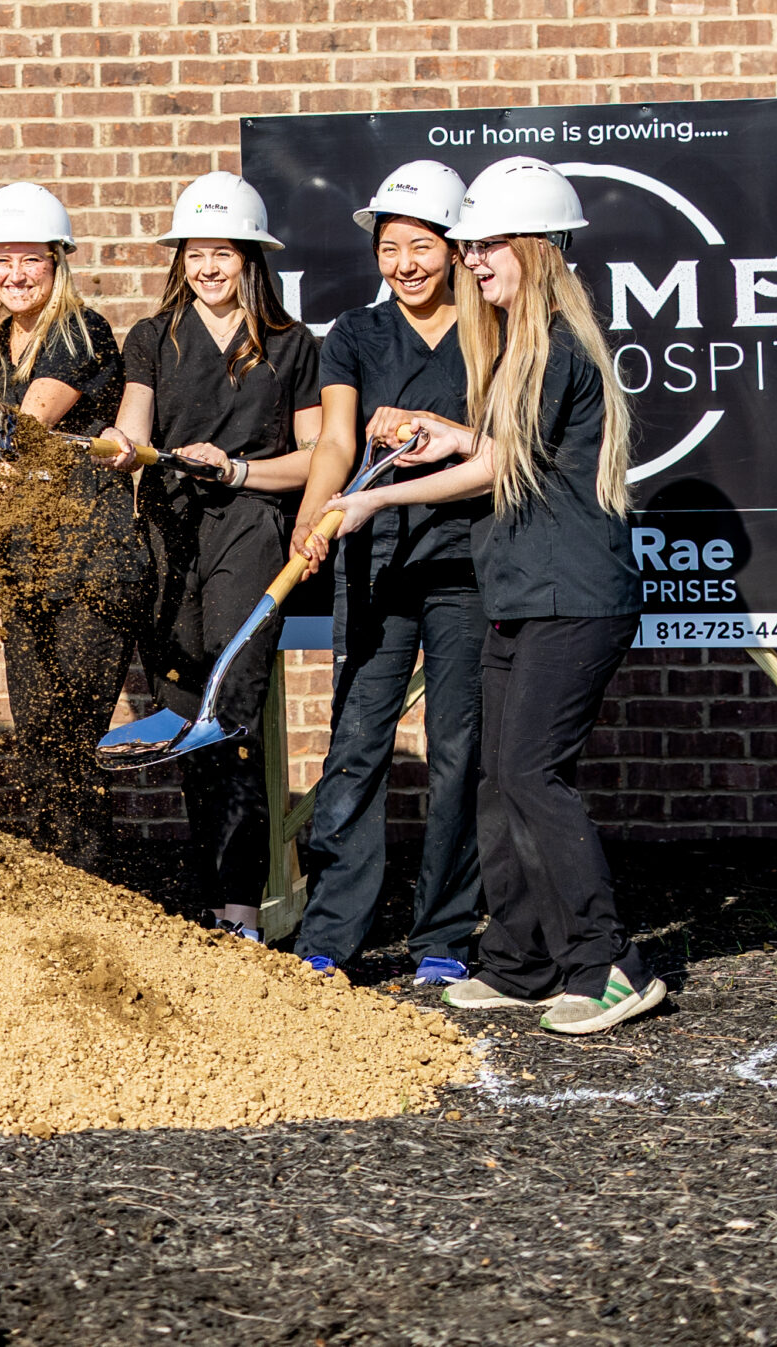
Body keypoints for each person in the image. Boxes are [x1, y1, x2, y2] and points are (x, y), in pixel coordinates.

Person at [328, 155, 664, 1036]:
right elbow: (495, 442)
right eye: (468, 247)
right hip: (521, 589)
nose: (472, 262)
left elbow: (496, 465)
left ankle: (609, 963)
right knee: (494, 777)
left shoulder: (551, 338)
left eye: (487, 247)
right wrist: (444, 434)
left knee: (530, 773)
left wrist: (379, 493)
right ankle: (521, 962)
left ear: (538, 248)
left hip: (574, 595)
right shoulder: (521, 339)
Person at [103, 173, 321, 942]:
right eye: (196, 253)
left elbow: (315, 457)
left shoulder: (294, 346)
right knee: (185, 719)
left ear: (251, 259)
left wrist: (236, 470)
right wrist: (120, 451)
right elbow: (132, 433)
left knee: (228, 715)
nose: (207, 267)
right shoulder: (150, 338)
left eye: (222, 252)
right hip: (169, 537)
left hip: (252, 528)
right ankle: (210, 901)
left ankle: (241, 908)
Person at [288, 161, 486, 983]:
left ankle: (444, 933)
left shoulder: (493, 330)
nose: (403, 263)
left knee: (458, 749)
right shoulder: (355, 334)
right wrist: (316, 505)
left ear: (453, 248)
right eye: (390, 247)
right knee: (358, 742)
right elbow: (336, 439)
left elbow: (504, 440)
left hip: (470, 564)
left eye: (422, 246)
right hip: (374, 563)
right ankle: (333, 931)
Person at [0, 182, 145, 868]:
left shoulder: (81, 331)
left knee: (70, 735)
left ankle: (86, 882)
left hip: (90, 566)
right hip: (26, 565)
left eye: (31, 259)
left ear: (58, 262)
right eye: (1, 259)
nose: (15, 274)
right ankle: (54, 882)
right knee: (38, 736)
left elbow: (21, 426)